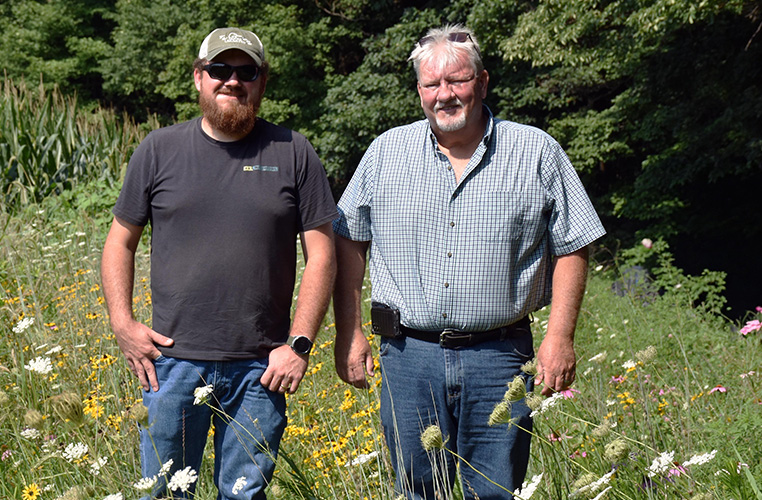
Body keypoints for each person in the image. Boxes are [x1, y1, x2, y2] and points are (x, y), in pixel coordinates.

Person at [332, 24, 605, 500]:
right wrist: (349, 331)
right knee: (418, 489)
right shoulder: (385, 153)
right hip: (408, 357)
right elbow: (348, 242)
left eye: (457, 81)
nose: (445, 95)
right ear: (419, 91)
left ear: (482, 81)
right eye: (432, 84)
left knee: (498, 491)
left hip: (500, 358)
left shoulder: (535, 151)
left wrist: (560, 337)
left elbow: (573, 244)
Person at [101, 27, 337, 499]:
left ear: (262, 81)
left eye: (245, 71)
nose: (232, 80)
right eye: (220, 69)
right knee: (165, 493)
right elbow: (119, 243)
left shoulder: (293, 151)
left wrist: (300, 344)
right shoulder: (158, 150)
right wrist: (122, 323)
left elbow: (322, 254)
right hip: (169, 364)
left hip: (260, 368)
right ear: (198, 78)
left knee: (243, 495)